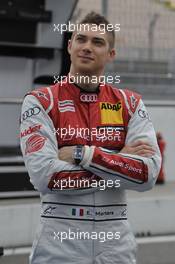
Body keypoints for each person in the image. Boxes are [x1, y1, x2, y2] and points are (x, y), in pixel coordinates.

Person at [20, 12, 161, 264]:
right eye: (81, 39)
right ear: (69, 45)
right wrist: (119, 160)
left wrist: (83, 154)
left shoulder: (130, 103)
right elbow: (48, 178)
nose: (87, 47)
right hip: (59, 238)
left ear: (111, 54)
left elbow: (146, 175)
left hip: (115, 241)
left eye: (97, 42)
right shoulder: (40, 101)